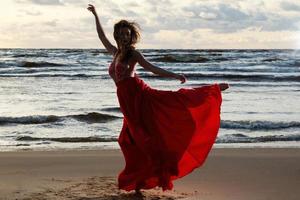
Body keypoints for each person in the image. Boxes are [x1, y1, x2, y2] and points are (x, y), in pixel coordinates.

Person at [87, 4, 229, 194]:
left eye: (127, 34)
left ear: (131, 36)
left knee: (168, 108)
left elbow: (152, 69)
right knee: (129, 140)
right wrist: (96, 15)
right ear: (117, 35)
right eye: (121, 33)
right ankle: (139, 181)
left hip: (139, 98)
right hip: (126, 101)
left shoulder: (133, 54)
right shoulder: (115, 53)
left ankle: (212, 90)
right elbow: (101, 37)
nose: (124, 36)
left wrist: (175, 75)